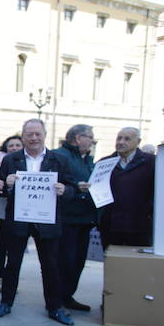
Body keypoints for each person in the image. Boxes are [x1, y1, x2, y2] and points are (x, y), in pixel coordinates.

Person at [0, 119, 75, 326]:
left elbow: (71, 188)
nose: (34, 138)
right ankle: (6, 302)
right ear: (23, 136)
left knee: (50, 266)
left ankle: (54, 306)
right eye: (29, 134)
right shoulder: (12, 159)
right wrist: (6, 184)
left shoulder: (59, 160)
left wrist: (65, 191)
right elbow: (0, 185)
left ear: (45, 135)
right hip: (19, 219)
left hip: (47, 222)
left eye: (37, 134)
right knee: (12, 264)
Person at [52, 125, 97, 312]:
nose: (93, 141)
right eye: (90, 137)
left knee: (78, 261)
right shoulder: (59, 155)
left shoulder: (87, 158)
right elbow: (56, 183)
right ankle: (58, 297)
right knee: (66, 260)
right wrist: (76, 188)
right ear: (79, 138)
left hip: (85, 219)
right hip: (67, 218)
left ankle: (68, 295)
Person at [98, 127, 155, 249]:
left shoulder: (151, 162)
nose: (121, 142)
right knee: (113, 264)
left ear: (138, 142)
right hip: (111, 226)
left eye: (127, 139)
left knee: (138, 265)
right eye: (119, 138)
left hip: (140, 226)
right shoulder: (104, 163)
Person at [0, 135, 24, 292]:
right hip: (1, 212)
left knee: (14, 249)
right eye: (11, 145)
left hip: (21, 213)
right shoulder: (1, 161)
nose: (14, 148)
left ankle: (10, 280)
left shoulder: (26, 163)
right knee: (0, 246)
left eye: (18, 145)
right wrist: (4, 184)